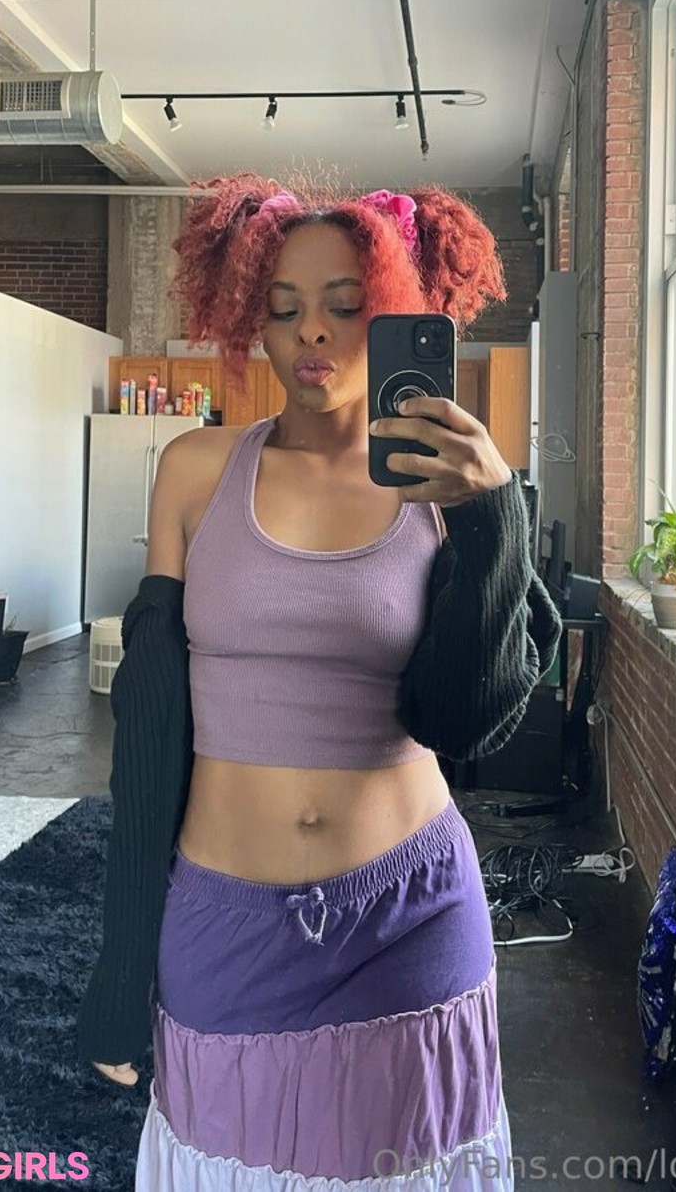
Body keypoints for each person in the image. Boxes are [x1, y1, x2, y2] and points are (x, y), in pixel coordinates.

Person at [76, 174, 562, 1190]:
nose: (312, 334)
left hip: (410, 918)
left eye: (346, 305)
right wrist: (122, 969)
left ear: (392, 312)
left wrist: (495, 517)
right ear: (247, 317)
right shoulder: (195, 470)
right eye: (284, 308)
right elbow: (150, 728)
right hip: (223, 921)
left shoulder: (447, 489)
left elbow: (463, 719)